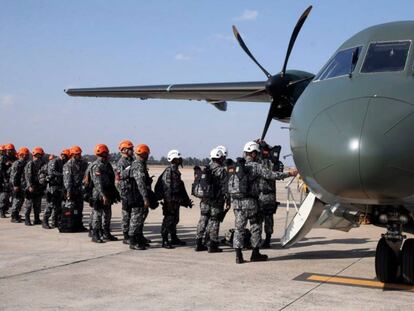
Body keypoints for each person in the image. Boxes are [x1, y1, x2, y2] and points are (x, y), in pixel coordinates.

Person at [229, 141, 297, 264]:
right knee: (255, 226)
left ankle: (238, 256)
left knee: (239, 229)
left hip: (237, 203)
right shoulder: (256, 166)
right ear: (254, 154)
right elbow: (272, 175)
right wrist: (289, 173)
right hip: (251, 203)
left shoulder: (237, 167)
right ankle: (255, 254)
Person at [156, 149, 193, 249]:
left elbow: (179, 186)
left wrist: (185, 200)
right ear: (174, 159)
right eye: (178, 158)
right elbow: (167, 188)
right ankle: (164, 240)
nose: (180, 160)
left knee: (175, 220)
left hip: (175, 201)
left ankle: (174, 237)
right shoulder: (169, 171)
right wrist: (168, 202)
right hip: (170, 201)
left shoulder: (176, 171)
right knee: (168, 220)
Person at [194, 148, 228, 253]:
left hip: (204, 199)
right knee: (215, 221)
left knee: (203, 219)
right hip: (216, 200)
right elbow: (225, 186)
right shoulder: (221, 170)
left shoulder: (206, 169)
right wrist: (228, 200)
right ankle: (212, 245)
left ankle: (198, 243)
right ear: (220, 158)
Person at [89, 144, 119, 243]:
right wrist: (103, 195)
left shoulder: (107, 164)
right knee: (98, 214)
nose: (108, 154)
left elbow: (111, 179)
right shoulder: (96, 165)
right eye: (106, 153)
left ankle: (106, 232)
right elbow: (97, 182)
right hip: (99, 193)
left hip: (107, 192)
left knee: (107, 214)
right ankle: (95, 234)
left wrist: (113, 192)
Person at [129, 144, 152, 250]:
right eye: (146, 153)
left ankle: (138, 238)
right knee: (136, 218)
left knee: (141, 216)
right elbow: (140, 183)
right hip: (138, 196)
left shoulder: (141, 164)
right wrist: (145, 198)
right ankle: (133, 241)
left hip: (139, 195)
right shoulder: (138, 165)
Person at [257, 142, 279, 248]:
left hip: (264, 195)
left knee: (264, 218)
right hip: (266, 195)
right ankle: (265, 240)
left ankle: (265, 240)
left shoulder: (263, 162)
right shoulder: (273, 162)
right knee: (266, 218)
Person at [42, 149, 70, 229]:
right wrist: (63, 175)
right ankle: (45, 221)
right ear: (63, 155)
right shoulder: (54, 161)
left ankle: (55, 222)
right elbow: (52, 172)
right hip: (52, 187)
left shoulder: (64, 162)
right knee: (50, 205)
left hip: (59, 186)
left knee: (58, 206)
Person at [63, 146, 88, 231]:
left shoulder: (82, 163)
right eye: (77, 154)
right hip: (72, 189)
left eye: (80, 153)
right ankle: (69, 225)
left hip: (80, 190)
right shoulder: (68, 165)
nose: (79, 155)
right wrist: (68, 191)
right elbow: (68, 179)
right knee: (70, 209)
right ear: (73, 154)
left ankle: (79, 225)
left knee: (79, 209)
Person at [115, 140, 135, 244]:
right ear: (124, 150)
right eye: (130, 149)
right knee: (126, 214)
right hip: (125, 191)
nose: (132, 150)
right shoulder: (121, 162)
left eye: (132, 148)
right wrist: (130, 169)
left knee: (134, 214)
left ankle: (134, 233)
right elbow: (119, 177)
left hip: (133, 191)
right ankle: (126, 235)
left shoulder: (133, 160)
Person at [24, 147, 46, 225]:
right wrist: (29, 186)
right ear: (33, 155)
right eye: (37, 155)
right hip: (31, 186)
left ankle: (37, 219)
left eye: (39, 155)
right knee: (28, 204)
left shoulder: (43, 163)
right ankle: (27, 219)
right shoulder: (30, 164)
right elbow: (28, 176)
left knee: (37, 204)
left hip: (38, 187)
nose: (38, 157)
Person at [9, 147, 30, 223]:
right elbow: (14, 175)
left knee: (20, 201)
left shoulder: (25, 163)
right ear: (21, 155)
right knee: (17, 201)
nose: (27, 156)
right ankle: (13, 216)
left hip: (22, 185)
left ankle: (17, 215)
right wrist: (15, 185)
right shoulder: (17, 163)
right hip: (17, 185)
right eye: (26, 154)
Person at [0, 143, 17, 218]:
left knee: (12, 196)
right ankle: (2, 211)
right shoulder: (3, 158)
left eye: (11, 150)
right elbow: (1, 169)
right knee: (5, 196)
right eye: (9, 150)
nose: (10, 151)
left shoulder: (14, 158)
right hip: (5, 179)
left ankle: (8, 210)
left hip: (13, 179)